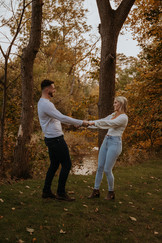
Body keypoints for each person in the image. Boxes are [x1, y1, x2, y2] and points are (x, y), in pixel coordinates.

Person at [38, 79, 89, 201]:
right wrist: (81, 123)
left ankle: (46, 191)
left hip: (51, 138)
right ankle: (61, 193)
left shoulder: (43, 102)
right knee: (67, 164)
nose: (54, 90)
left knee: (54, 165)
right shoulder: (46, 104)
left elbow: (56, 119)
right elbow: (61, 117)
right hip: (56, 139)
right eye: (53, 88)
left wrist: (72, 124)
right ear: (47, 89)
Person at [88, 96, 128, 200]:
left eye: (115, 103)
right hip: (106, 141)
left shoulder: (123, 118)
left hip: (115, 143)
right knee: (100, 167)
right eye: (114, 102)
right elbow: (102, 121)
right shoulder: (113, 115)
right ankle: (95, 191)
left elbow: (108, 124)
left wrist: (92, 123)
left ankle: (111, 192)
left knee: (107, 169)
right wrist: (87, 124)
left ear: (121, 104)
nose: (114, 104)